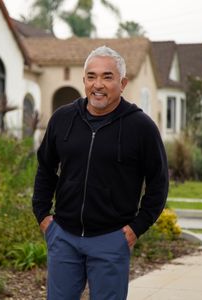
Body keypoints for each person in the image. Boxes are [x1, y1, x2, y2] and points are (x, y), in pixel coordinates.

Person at [32, 45, 169, 300]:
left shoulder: (141, 127)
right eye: (92, 76)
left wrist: (135, 228)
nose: (98, 84)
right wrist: (43, 215)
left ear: (123, 82)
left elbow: (159, 183)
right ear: (84, 81)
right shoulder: (63, 119)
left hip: (111, 239)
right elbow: (45, 168)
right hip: (63, 236)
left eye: (107, 77)